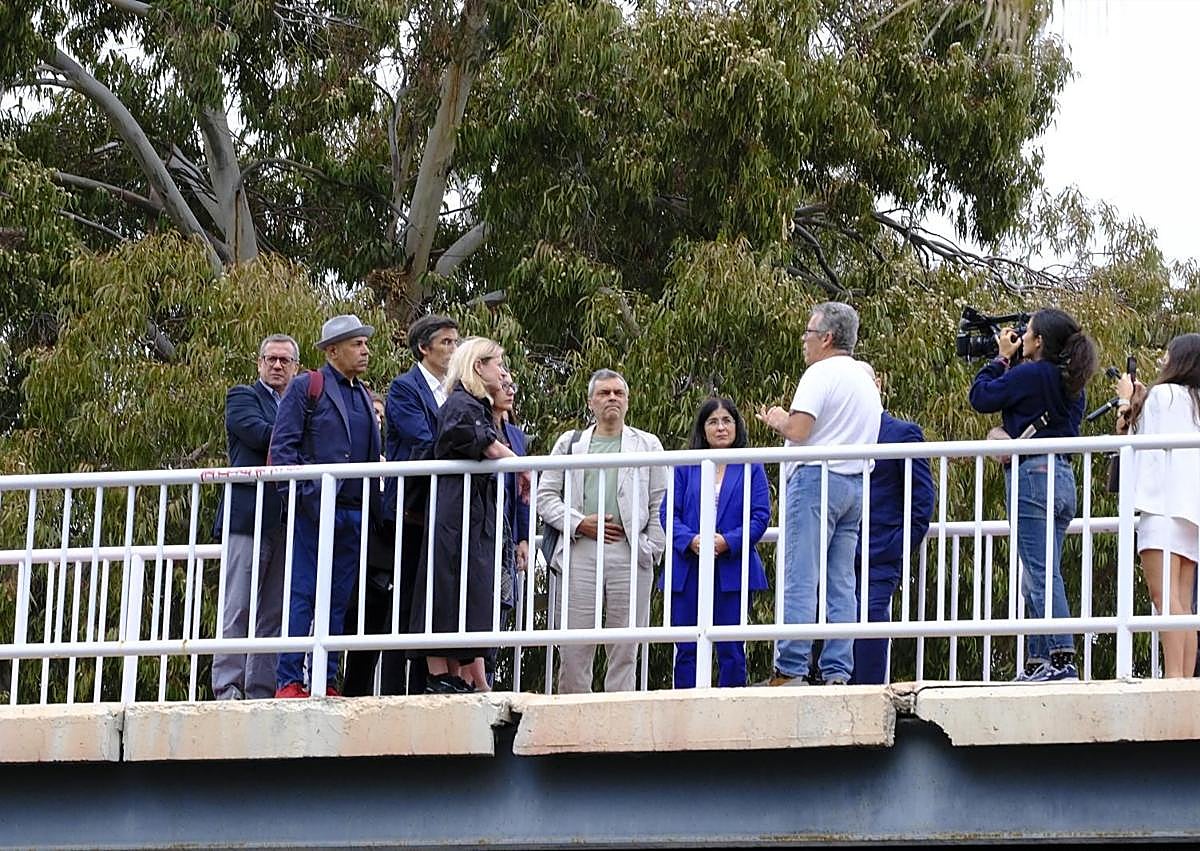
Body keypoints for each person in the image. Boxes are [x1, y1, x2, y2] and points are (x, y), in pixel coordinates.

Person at [969, 307, 1098, 682]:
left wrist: (1000, 359)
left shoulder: (1029, 373)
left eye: (1026, 333)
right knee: (1043, 572)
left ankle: (1060, 659)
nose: (1021, 337)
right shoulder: (1073, 384)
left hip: (1032, 478)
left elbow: (980, 397)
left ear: (1038, 341)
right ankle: (1040, 662)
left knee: (1039, 574)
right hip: (1062, 480)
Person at [756, 301, 882, 687]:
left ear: (826, 338)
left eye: (808, 334)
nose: (804, 342)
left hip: (816, 481)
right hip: (855, 485)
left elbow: (799, 430)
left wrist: (778, 418)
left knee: (801, 575)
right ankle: (837, 671)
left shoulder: (820, 372)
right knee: (841, 581)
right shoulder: (864, 378)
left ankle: (792, 667)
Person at [343, 316, 459, 696]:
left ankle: (428, 681)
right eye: (446, 343)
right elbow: (424, 440)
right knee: (403, 602)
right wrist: (468, 440)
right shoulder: (405, 388)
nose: (453, 350)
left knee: (433, 597)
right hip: (410, 512)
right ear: (424, 348)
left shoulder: (456, 390)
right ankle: (395, 689)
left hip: (442, 513)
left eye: (456, 342)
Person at [268, 314, 382, 698]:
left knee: (337, 599)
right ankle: (288, 680)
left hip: (354, 511)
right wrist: (306, 500)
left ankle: (325, 679)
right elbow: (282, 453)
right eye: (356, 344)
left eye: (365, 343)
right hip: (315, 510)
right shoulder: (307, 386)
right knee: (303, 594)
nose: (365, 350)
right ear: (333, 351)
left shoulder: (364, 394)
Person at [408, 337, 528, 694]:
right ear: (479, 367)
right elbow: (480, 441)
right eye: (498, 365)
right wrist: (520, 467)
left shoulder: (472, 404)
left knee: (470, 585)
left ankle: (467, 673)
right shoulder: (461, 403)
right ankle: (439, 672)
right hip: (455, 510)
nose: (503, 373)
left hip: (472, 510)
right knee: (446, 582)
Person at [537, 369, 668, 694]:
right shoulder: (571, 443)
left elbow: (660, 501)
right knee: (574, 641)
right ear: (590, 402)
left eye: (618, 393)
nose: (612, 398)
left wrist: (652, 547)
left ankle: (619, 716)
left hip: (630, 548)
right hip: (581, 547)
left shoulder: (647, 444)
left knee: (626, 643)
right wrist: (580, 522)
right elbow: (545, 496)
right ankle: (572, 715)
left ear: (627, 401)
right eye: (604, 393)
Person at [211, 334, 300, 700]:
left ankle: (262, 690)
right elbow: (259, 434)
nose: (277, 366)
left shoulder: (297, 403)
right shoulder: (242, 396)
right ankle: (228, 687)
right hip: (247, 519)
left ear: (296, 367)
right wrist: (300, 435)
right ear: (259, 363)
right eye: (271, 359)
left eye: (284, 361)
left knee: (273, 613)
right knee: (237, 608)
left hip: (285, 520)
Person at [660, 398, 769, 688]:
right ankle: (684, 709)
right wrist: (691, 540)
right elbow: (667, 513)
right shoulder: (686, 466)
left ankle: (731, 710)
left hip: (732, 567)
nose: (720, 427)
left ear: (736, 426)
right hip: (688, 565)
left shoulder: (750, 466)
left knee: (731, 648)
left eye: (727, 421)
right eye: (713, 421)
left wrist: (728, 541)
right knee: (686, 646)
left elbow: (760, 516)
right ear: (703, 428)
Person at [1115, 333, 1200, 678]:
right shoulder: (1195, 401)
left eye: (1166, 357)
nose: (1162, 362)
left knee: (1163, 596)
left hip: (1160, 505)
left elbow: (1130, 437)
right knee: (1183, 604)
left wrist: (1127, 400)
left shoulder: (1163, 396)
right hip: (1189, 509)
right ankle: (1182, 676)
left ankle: (1173, 676)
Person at [848, 362, 935, 685]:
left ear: (879, 384)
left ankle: (867, 697)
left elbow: (922, 500)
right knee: (829, 625)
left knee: (870, 621)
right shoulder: (836, 436)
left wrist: (897, 545)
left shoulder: (902, 433)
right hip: (836, 554)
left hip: (880, 553)